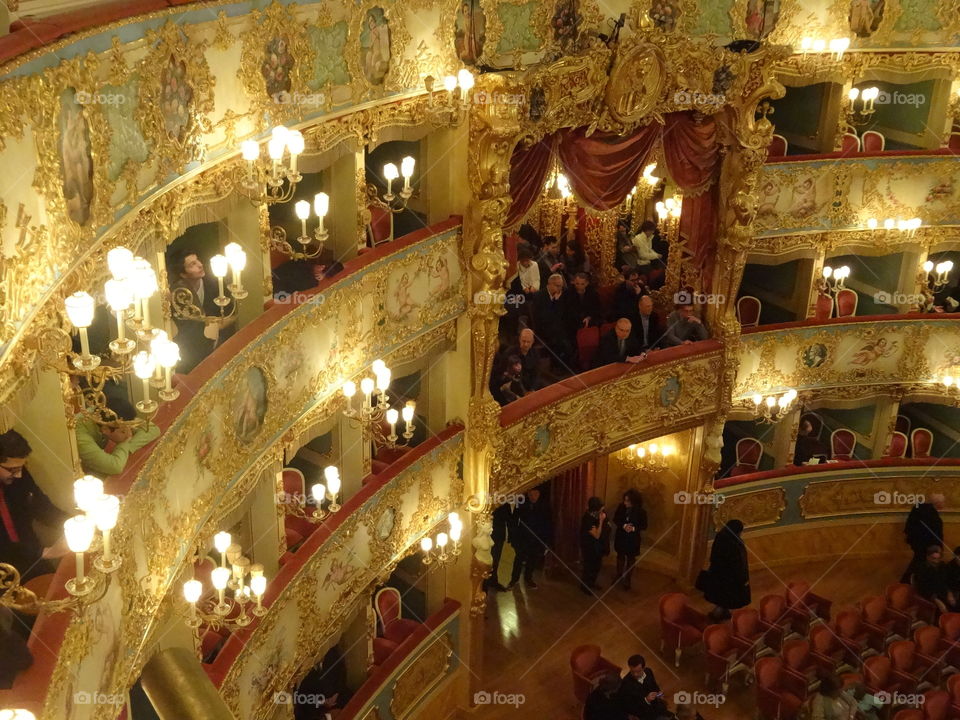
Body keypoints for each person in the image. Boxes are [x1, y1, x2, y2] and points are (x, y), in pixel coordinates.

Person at [0, 431, 69, 582]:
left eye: (21, 467)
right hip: (5, 568)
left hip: (31, 557)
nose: (18, 475)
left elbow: (41, 506)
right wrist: (43, 552)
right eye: (12, 470)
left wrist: (71, 523)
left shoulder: (19, 475)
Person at [169, 250, 236, 373]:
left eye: (197, 260)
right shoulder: (178, 293)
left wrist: (216, 326)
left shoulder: (215, 283)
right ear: (183, 274)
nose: (200, 265)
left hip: (219, 341)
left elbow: (231, 314)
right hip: (192, 348)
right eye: (192, 264)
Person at [75, 397, 161, 477]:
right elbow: (114, 467)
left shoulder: (108, 413)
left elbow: (152, 429)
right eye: (123, 431)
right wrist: (125, 442)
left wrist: (126, 448)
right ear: (105, 430)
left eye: (129, 428)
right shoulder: (80, 434)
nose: (129, 432)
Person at [702, 519, 750, 621]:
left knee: (722, 598)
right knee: (724, 599)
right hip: (730, 577)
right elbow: (738, 563)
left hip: (717, 573)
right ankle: (716, 616)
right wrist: (743, 578)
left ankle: (722, 613)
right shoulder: (735, 543)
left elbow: (714, 556)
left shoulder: (720, 537)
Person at [508, 486, 552, 589]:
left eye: (536, 494)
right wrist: (512, 537)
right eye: (531, 494)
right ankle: (514, 579)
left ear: (539, 494)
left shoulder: (545, 505)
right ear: (528, 493)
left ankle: (528, 578)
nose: (533, 496)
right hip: (522, 536)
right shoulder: (521, 503)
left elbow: (548, 523)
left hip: (537, 537)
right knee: (519, 558)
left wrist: (546, 541)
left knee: (532, 559)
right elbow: (514, 520)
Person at [531, 273, 573, 371]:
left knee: (568, 338)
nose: (560, 289)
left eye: (561, 286)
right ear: (550, 284)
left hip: (558, 326)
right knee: (559, 342)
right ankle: (556, 366)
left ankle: (565, 366)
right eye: (558, 286)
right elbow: (543, 317)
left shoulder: (562, 295)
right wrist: (555, 302)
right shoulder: (539, 296)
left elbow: (562, 314)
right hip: (544, 327)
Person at [901, 494, 945, 583]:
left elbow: (909, 526)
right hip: (928, 546)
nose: (944, 504)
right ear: (938, 503)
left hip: (917, 543)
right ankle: (906, 583)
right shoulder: (932, 515)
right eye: (943, 502)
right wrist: (938, 546)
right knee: (920, 564)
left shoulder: (918, 509)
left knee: (918, 562)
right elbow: (935, 532)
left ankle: (907, 583)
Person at [613, 490, 647, 590]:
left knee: (631, 558)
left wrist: (633, 528)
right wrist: (624, 526)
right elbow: (616, 519)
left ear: (634, 501)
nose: (625, 502)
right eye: (624, 500)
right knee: (620, 556)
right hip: (621, 536)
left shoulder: (641, 512)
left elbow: (644, 526)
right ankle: (619, 575)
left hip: (633, 539)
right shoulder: (621, 507)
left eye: (627, 501)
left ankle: (628, 580)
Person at [617, 654, 667, 719]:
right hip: (644, 713)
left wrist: (659, 693)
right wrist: (646, 700)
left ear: (643, 668)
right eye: (632, 671)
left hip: (656, 705)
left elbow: (654, 685)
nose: (635, 674)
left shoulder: (648, 671)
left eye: (638, 671)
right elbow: (630, 707)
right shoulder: (626, 684)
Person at [485, 501, 519, 592]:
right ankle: (484, 583)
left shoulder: (504, 501)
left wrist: (511, 536)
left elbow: (509, 519)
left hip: (499, 534)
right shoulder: (487, 499)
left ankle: (493, 580)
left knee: (496, 559)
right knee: (486, 559)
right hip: (486, 534)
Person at [913, 545, 957, 612]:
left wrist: (949, 593)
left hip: (943, 592)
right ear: (927, 557)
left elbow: (946, 581)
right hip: (930, 595)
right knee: (945, 609)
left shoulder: (942, 565)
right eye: (933, 558)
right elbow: (922, 588)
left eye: (938, 558)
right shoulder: (922, 568)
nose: (936, 561)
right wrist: (936, 600)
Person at [564, 272, 602, 340]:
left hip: (590, 318)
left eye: (582, 284)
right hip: (574, 320)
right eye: (577, 283)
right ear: (573, 282)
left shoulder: (593, 293)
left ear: (587, 283)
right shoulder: (568, 293)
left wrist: (589, 317)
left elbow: (597, 308)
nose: (579, 286)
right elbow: (567, 310)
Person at [580, 497, 606, 594]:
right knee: (589, 566)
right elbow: (596, 535)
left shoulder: (595, 514)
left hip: (596, 546)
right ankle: (585, 586)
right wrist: (601, 521)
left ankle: (592, 582)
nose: (602, 509)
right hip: (588, 546)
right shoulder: (588, 518)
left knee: (597, 565)